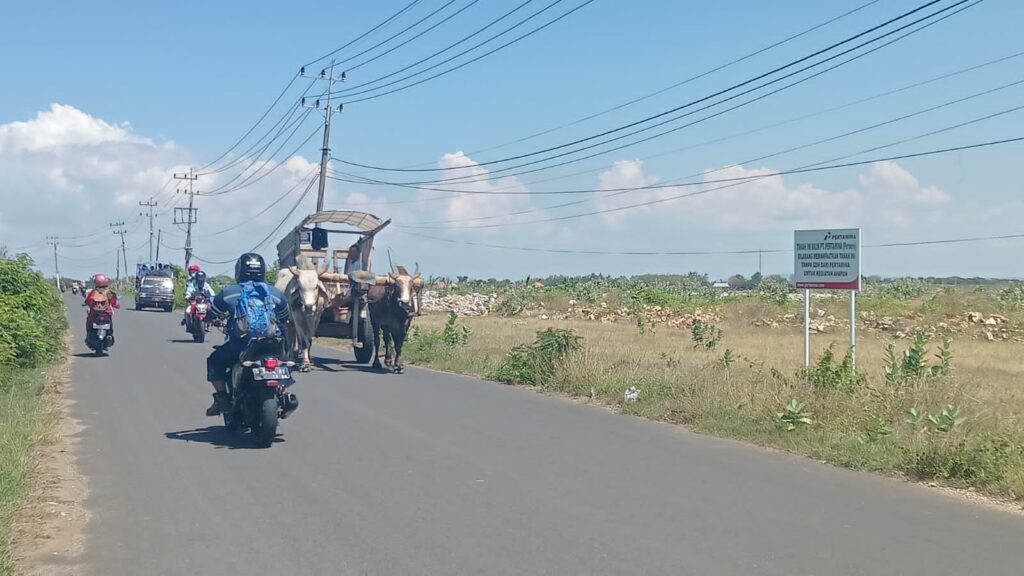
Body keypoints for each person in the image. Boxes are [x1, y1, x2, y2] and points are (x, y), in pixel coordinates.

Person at [204, 253, 290, 417]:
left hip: (241, 345)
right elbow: (285, 317)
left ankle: (222, 398)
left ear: (239, 271)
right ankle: (281, 392)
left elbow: (212, 314)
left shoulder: (228, 292)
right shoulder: (275, 293)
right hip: (271, 345)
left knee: (214, 361)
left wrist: (210, 319)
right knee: (285, 361)